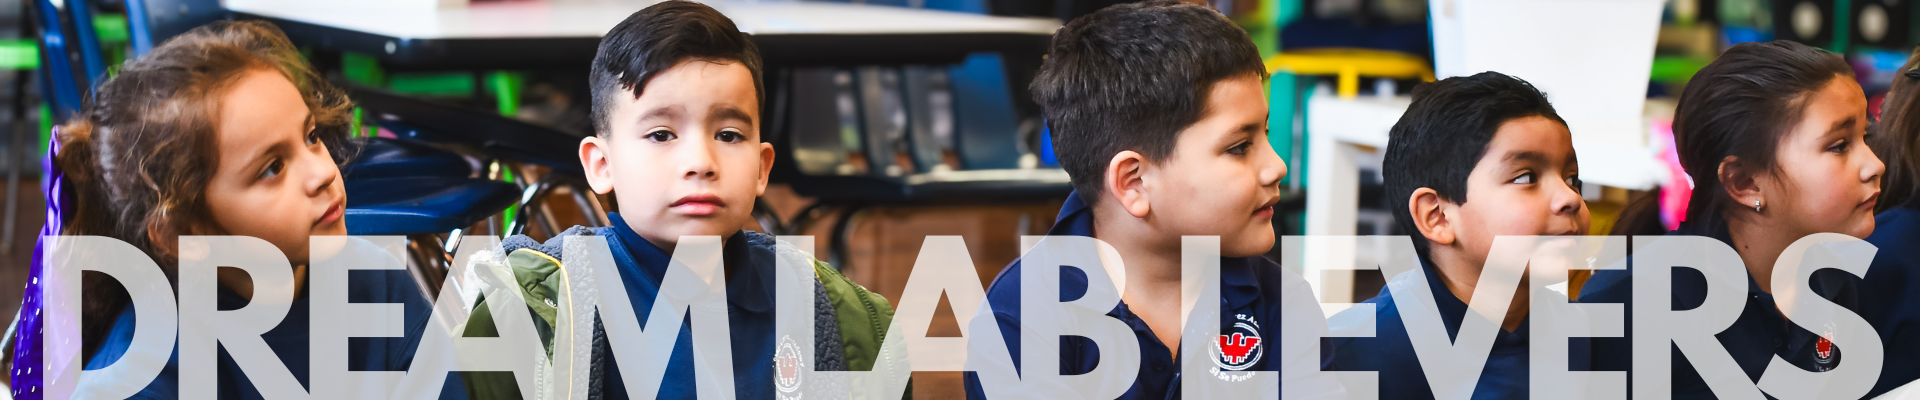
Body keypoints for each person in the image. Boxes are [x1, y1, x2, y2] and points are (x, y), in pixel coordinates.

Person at [455, 1, 896, 398]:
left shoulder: (841, 314)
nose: (700, 162)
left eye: (729, 135)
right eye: (661, 134)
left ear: (762, 168)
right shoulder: (531, 314)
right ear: (602, 165)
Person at [45, 20, 461, 399]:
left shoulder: (378, 283)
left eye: (311, 136)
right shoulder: (140, 378)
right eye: (273, 168)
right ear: (181, 233)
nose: (322, 172)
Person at [960, 1, 1341, 398]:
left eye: (1266, 134)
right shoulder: (1022, 319)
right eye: (1239, 147)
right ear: (1134, 182)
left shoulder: (1283, 303)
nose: (1277, 166)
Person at [1579, 40, 1884, 398]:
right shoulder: (1633, 306)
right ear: (1744, 182)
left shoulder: (1831, 281)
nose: (1875, 164)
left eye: (1865, 136)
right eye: (1839, 146)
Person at [1324, 71, 1590, 399]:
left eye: (1571, 179)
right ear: (1437, 217)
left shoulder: (1586, 337)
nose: (1569, 198)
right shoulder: (1348, 360)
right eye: (1525, 177)